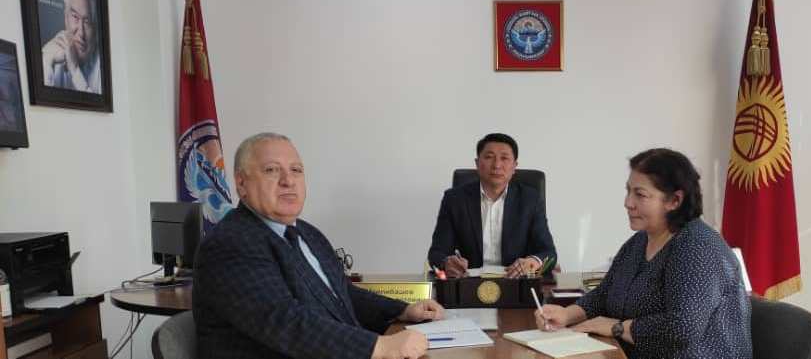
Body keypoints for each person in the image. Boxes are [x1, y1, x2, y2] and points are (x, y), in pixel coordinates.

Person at [194, 133, 444, 359]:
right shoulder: (231, 242)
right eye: (271, 170)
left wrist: (403, 310)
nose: (288, 181)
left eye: (296, 170)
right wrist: (378, 347)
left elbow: (341, 294)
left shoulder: (307, 233)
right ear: (241, 184)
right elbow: (284, 321)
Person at [535, 148, 752, 359]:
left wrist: (617, 328)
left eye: (640, 195)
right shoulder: (639, 241)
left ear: (674, 201)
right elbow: (605, 293)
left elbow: (683, 328)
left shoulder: (697, 246)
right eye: (628, 191)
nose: (627, 203)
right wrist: (566, 314)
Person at [427, 133, 557, 278]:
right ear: (477, 164)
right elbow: (436, 253)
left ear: (514, 166)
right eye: (489, 157)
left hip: (516, 282)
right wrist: (446, 262)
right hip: (470, 283)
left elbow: (548, 253)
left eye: (504, 158)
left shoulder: (530, 199)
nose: (496, 165)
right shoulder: (454, 200)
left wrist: (533, 262)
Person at [41, 0, 101, 93]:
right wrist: (47, 60)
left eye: (87, 22)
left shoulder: (102, 64)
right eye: (75, 17)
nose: (81, 33)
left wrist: (75, 70)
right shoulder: (53, 51)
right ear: (66, 17)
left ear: (95, 27)